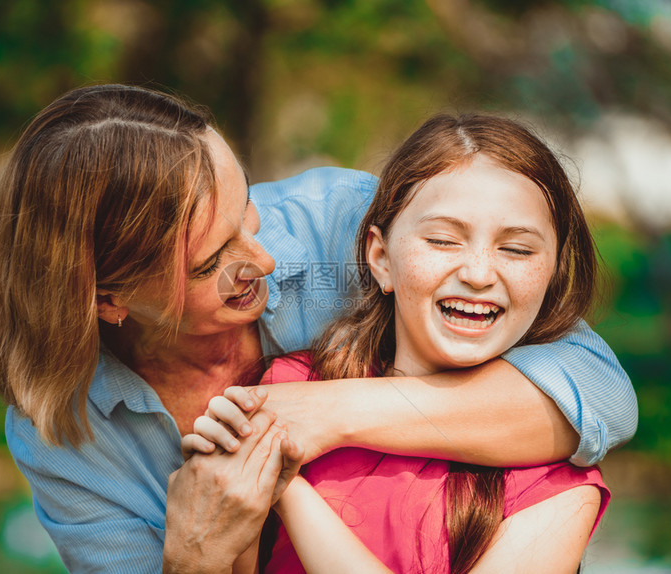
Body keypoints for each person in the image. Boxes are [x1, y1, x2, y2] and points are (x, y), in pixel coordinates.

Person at [0, 84, 635, 573]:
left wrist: (320, 413)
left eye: (247, 211)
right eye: (214, 261)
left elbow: (600, 396)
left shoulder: (334, 227)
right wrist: (195, 555)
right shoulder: (66, 432)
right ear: (110, 300)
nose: (265, 258)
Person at [189, 113, 612, 573]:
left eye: (517, 249)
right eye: (443, 240)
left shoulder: (561, 482)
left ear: (552, 275)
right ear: (380, 258)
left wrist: (289, 491)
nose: (478, 274)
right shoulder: (286, 387)